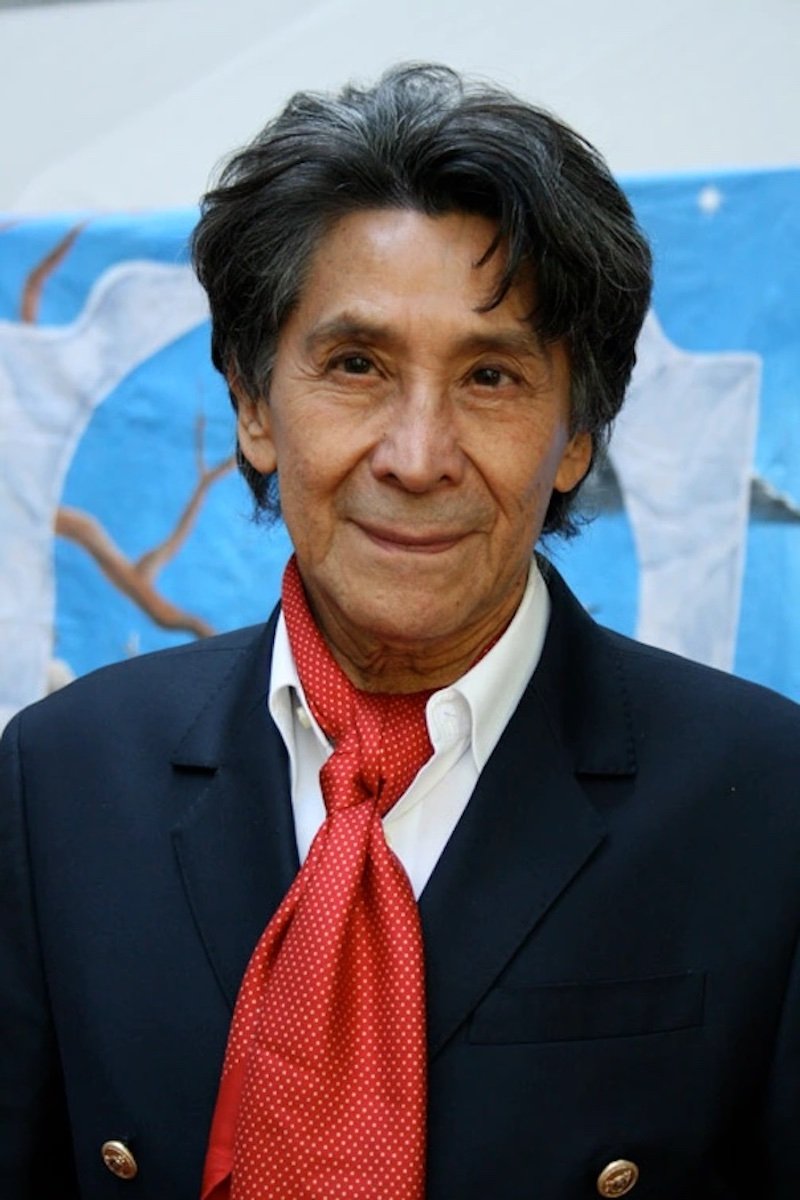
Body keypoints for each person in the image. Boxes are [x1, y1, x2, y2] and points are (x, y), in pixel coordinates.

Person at [1, 63, 799, 1200]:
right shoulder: (60, 780)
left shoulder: (767, 801)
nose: (417, 457)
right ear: (252, 404)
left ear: (576, 437)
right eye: (356, 365)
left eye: (490, 376)